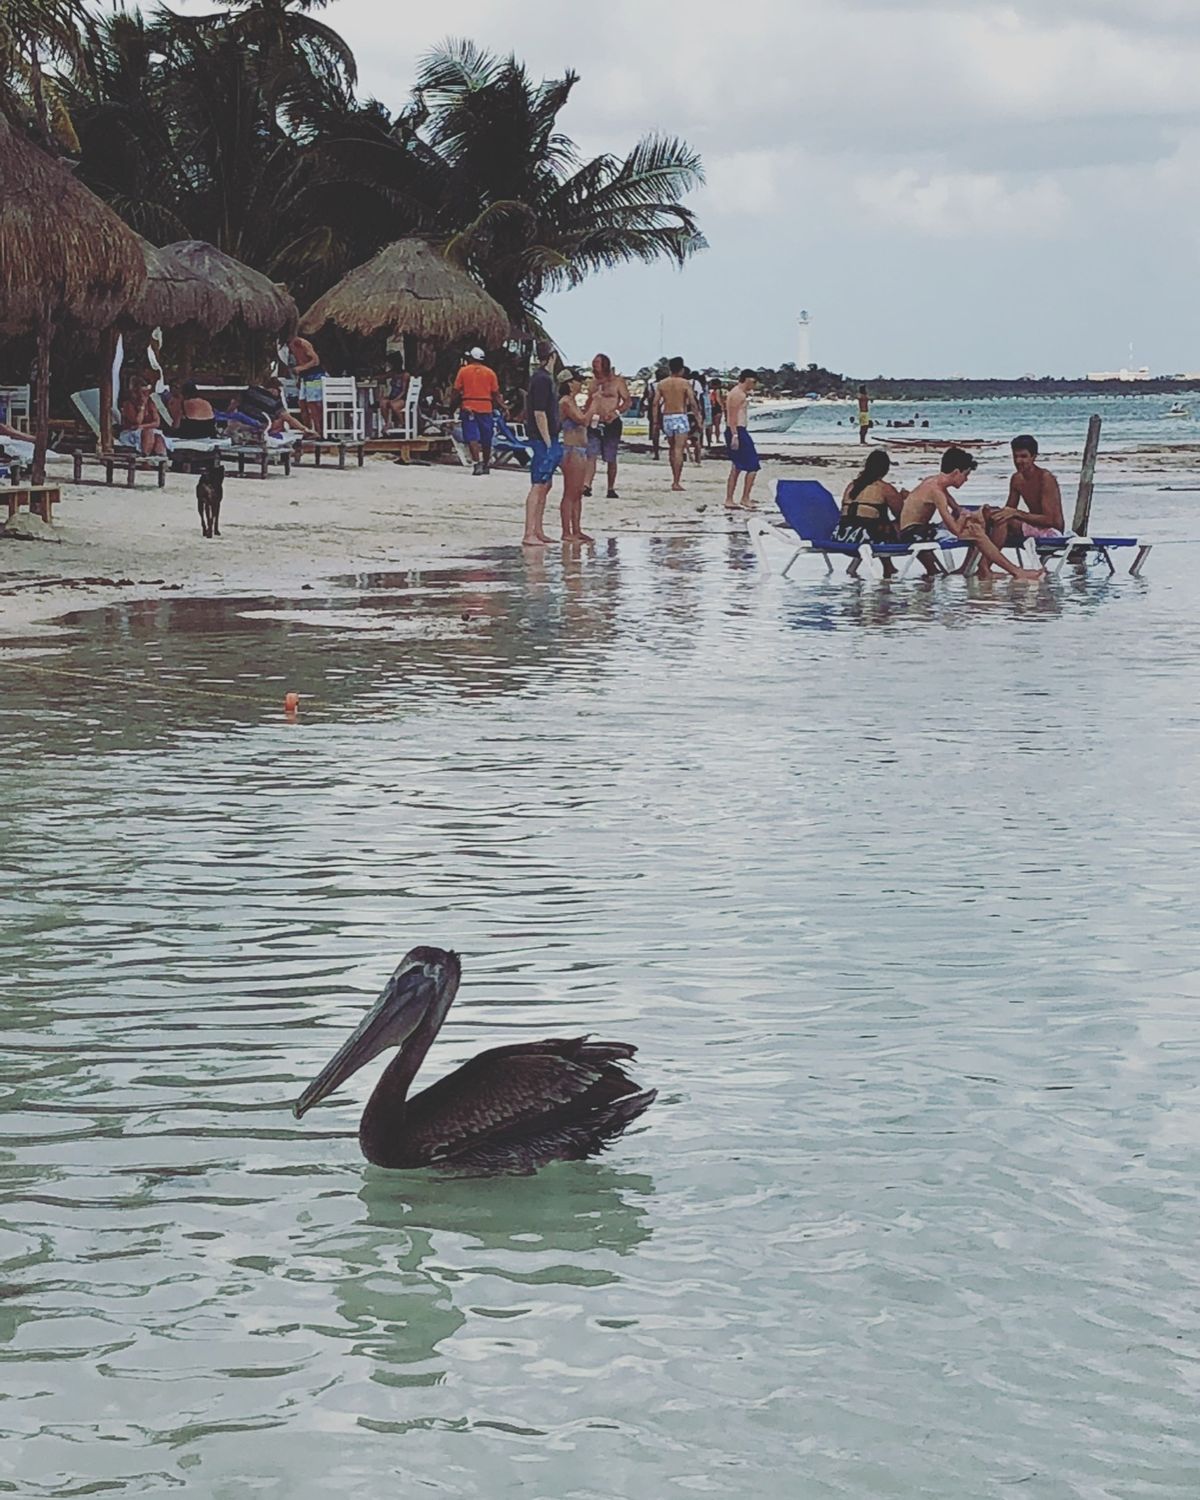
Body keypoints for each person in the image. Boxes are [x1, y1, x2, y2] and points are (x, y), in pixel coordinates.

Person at [898, 447, 1043, 579]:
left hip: (917, 529)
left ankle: (970, 568)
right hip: (913, 534)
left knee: (976, 525)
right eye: (965, 475)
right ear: (956, 472)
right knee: (977, 533)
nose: (966, 479)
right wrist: (967, 519)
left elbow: (958, 509)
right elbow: (956, 531)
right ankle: (1015, 571)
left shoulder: (935, 483)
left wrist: (979, 514)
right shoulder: (937, 492)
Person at [984, 435, 1065, 552]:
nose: (1018, 461)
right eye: (1015, 456)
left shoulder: (1045, 478)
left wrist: (1016, 513)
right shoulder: (1016, 479)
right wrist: (992, 512)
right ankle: (972, 565)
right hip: (1031, 526)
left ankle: (986, 565)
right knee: (984, 517)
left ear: (1033, 457)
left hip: (1051, 531)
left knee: (1005, 522)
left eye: (1023, 456)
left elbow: (1050, 520)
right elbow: (1009, 509)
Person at [522, 340, 562, 546]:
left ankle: (538, 529)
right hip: (542, 438)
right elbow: (539, 413)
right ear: (552, 356)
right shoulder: (541, 380)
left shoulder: (545, 379)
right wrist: (547, 441)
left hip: (549, 436)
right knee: (538, 484)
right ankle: (529, 532)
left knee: (546, 484)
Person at [558, 369, 598, 543]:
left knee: (578, 492)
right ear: (569, 383)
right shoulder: (566, 402)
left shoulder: (571, 401)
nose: (580, 384)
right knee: (570, 492)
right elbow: (582, 420)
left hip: (579, 450)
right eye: (577, 381)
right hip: (571, 449)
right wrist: (594, 405)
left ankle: (577, 529)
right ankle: (567, 531)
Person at [583, 353, 630, 499]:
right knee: (591, 454)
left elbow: (627, 401)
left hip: (611, 421)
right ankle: (587, 485)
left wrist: (616, 412)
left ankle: (610, 487)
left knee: (611, 456)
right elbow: (589, 402)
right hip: (595, 421)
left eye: (597, 362)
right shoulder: (593, 383)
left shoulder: (617, 382)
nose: (594, 364)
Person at [452, 347, 503, 475]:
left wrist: (452, 405)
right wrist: (503, 406)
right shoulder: (490, 373)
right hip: (486, 407)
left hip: (469, 406)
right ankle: (486, 464)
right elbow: (496, 393)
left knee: (472, 437)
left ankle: (477, 463)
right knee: (487, 437)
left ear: (471, 358)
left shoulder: (463, 371)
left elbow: (456, 390)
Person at [836, 448, 904, 541]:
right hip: (865, 536)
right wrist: (904, 499)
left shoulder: (851, 486)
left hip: (842, 534)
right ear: (885, 469)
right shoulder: (884, 488)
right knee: (906, 526)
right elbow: (902, 515)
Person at [654, 357, 701, 491]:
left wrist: (656, 421)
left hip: (667, 416)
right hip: (680, 416)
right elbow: (692, 402)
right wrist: (698, 418)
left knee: (672, 448)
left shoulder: (662, 384)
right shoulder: (685, 383)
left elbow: (655, 403)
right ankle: (676, 480)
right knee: (679, 449)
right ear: (681, 369)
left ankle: (674, 478)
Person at [723, 369, 762, 509]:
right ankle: (744, 498)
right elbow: (732, 416)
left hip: (739, 430)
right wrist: (735, 435)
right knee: (753, 465)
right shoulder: (737, 394)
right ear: (747, 379)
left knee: (737, 466)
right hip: (737, 430)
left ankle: (731, 498)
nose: (755, 384)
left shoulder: (740, 393)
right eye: (753, 381)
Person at [119, 376, 168, 456]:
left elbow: (157, 422)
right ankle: (145, 456)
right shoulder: (128, 404)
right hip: (131, 433)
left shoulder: (151, 403)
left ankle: (161, 458)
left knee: (158, 437)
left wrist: (142, 426)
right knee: (148, 432)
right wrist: (142, 407)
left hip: (145, 430)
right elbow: (136, 421)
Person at [286, 335, 324, 435]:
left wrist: (301, 368)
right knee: (302, 404)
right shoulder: (288, 345)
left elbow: (316, 361)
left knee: (313, 405)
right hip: (304, 377)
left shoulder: (303, 344)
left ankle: (318, 431)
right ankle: (308, 430)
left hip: (314, 376)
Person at [707, 380, 725, 447]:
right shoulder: (718, 390)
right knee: (717, 425)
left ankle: (710, 439)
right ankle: (717, 439)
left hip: (711, 408)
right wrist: (722, 406)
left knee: (710, 425)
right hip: (717, 408)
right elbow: (718, 399)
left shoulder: (710, 391)